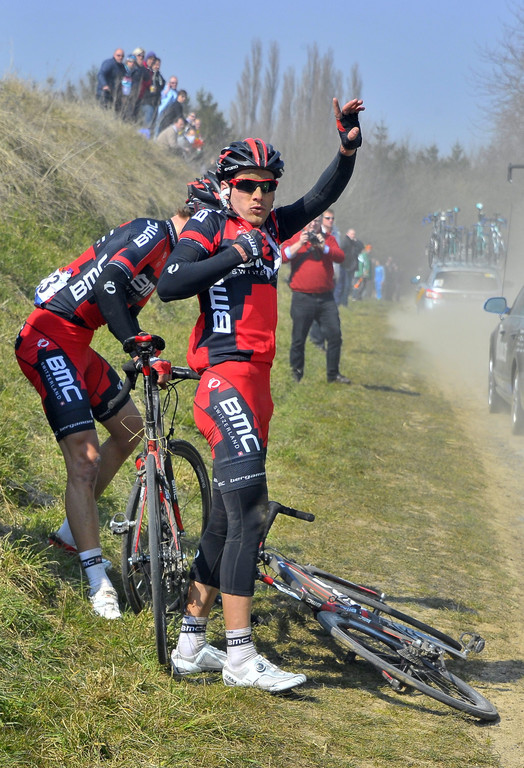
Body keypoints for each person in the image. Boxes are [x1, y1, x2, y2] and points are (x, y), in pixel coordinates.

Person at [157, 96, 364, 691]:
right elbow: (171, 282)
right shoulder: (211, 224)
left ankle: (191, 643)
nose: (260, 195)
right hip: (223, 379)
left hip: (259, 385)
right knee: (251, 513)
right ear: (228, 187)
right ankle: (242, 656)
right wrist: (231, 255)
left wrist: (346, 148)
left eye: (268, 187)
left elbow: (320, 197)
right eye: (248, 185)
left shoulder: (272, 227)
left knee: (225, 521)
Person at [14, 209, 191, 620]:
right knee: (85, 458)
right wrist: (133, 342)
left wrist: (142, 348)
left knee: (131, 429)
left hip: (78, 341)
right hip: (48, 337)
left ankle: (70, 534)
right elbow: (108, 286)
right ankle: (97, 580)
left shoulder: (164, 248)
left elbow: (116, 302)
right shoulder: (155, 235)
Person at [282, 217, 349, 384]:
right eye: (311, 221)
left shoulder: (328, 239)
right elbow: (283, 257)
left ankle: (333, 374)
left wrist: (323, 247)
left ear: (320, 223)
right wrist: (300, 243)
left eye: (317, 221)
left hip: (326, 298)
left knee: (335, 335)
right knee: (299, 338)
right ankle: (296, 373)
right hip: (302, 297)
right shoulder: (295, 237)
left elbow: (340, 257)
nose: (314, 224)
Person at [309, 208, 339, 351]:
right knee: (318, 309)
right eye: (327, 218)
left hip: (331, 276)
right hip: (317, 277)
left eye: (332, 218)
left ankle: (322, 339)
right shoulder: (315, 233)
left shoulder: (336, 234)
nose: (330, 221)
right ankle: (317, 340)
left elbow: (337, 254)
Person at [335, 228, 364, 306]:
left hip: (351, 266)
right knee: (344, 285)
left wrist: (356, 240)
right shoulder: (345, 241)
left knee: (348, 286)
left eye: (354, 234)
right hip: (344, 266)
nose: (353, 235)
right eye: (351, 234)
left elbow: (362, 246)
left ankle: (344, 302)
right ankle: (341, 302)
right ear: (347, 234)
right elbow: (340, 250)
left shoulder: (354, 243)